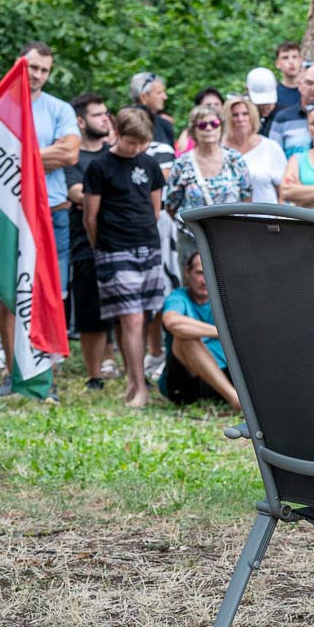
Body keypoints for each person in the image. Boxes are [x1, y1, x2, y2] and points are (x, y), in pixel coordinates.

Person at [0, 41, 79, 398]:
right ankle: (13, 374)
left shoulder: (59, 108)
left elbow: (70, 153)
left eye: (45, 70)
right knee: (8, 295)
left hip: (52, 214)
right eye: (33, 67)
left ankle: (46, 377)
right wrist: (44, 156)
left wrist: (17, 155)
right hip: (9, 213)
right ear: (20, 65)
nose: (38, 75)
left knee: (50, 296)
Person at [83, 107, 166, 408]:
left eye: (142, 143)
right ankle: (140, 387)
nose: (136, 148)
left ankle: (133, 380)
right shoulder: (100, 166)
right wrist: (101, 247)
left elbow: (155, 209)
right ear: (117, 134)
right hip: (114, 247)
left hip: (147, 245)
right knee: (130, 317)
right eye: (131, 142)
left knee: (141, 316)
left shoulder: (150, 164)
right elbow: (90, 217)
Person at [64, 92, 115, 389]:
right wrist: (113, 197)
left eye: (106, 113)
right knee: (90, 310)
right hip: (85, 242)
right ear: (81, 122)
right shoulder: (73, 157)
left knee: (124, 310)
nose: (105, 119)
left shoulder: (115, 153)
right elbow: (76, 194)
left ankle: (120, 363)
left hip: (119, 240)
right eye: (97, 115)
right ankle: (94, 374)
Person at [159, 250, 240, 410]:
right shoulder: (178, 297)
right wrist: (222, 333)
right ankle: (236, 400)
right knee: (184, 337)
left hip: (225, 376)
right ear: (187, 273)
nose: (205, 280)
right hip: (185, 382)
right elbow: (171, 322)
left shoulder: (226, 298)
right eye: (200, 273)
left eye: (210, 273)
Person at [165, 104, 254, 250]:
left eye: (214, 123)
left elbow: (247, 197)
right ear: (193, 130)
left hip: (231, 239)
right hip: (193, 241)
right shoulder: (182, 164)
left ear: (221, 127)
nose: (208, 128)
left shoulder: (234, 159)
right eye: (202, 125)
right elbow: (171, 206)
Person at [224, 94, 286, 205]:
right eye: (235, 115)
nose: (240, 119)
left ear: (252, 116)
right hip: (227, 214)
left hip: (267, 213)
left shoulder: (270, 147)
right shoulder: (219, 149)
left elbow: (283, 191)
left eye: (245, 114)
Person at [126, 70, 177, 152]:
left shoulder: (164, 123)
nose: (165, 97)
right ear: (143, 97)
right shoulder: (127, 122)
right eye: (159, 93)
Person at [246, 67, 279, 133]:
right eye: (260, 104)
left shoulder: (285, 115)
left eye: (268, 103)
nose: (264, 107)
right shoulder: (241, 115)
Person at [272, 41, 303, 111]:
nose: (291, 61)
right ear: (277, 64)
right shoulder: (273, 94)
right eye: (285, 58)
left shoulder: (310, 91)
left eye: (294, 57)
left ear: (300, 61)